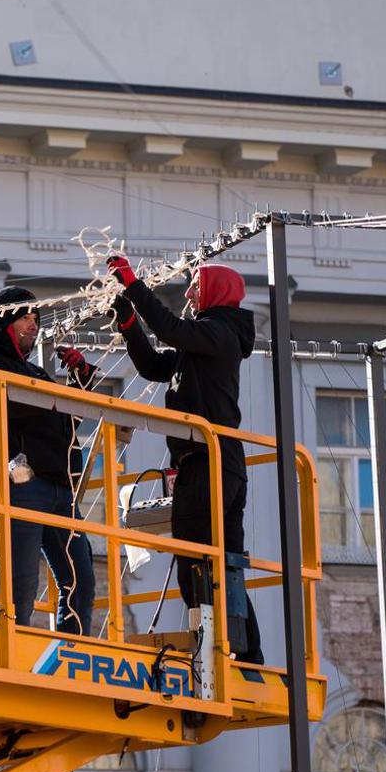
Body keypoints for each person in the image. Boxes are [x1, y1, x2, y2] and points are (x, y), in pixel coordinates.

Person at [107, 255, 263, 664]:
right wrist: (128, 324)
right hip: (212, 462)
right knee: (221, 563)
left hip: (209, 462)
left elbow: (170, 329)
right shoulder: (205, 342)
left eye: (196, 286)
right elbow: (152, 366)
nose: (189, 294)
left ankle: (218, 648)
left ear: (217, 292)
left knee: (198, 560)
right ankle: (244, 654)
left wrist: (133, 286)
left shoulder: (218, 333)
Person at [0, 286, 97, 637]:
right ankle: (15, 654)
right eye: (25, 318)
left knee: (82, 580)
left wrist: (80, 382)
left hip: (60, 488)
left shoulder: (35, 373)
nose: (33, 325)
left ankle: (69, 656)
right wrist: (45, 395)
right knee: (21, 586)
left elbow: (65, 422)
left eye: (36, 319)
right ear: (3, 322)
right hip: (22, 484)